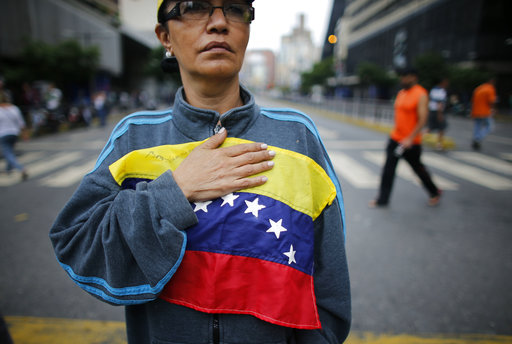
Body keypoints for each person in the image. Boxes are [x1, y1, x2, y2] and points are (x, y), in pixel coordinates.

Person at [49, 1, 351, 343]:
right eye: (195, 6)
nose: (220, 22)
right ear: (165, 36)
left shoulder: (298, 138)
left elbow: (328, 288)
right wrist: (174, 190)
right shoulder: (134, 138)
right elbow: (77, 244)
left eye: (235, 8)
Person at [369, 68, 441, 208]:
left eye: (405, 77)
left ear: (413, 77)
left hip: (411, 142)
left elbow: (422, 119)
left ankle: (434, 191)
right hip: (396, 139)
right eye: (401, 77)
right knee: (388, 169)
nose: (402, 80)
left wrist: (410, 138)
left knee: (418, 169)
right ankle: (382, 199)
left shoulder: (421, 94)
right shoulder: (401, 93)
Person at [0, 98, 28, 180]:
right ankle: (8, 169)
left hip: (3, 134)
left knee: (8, 153)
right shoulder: (14, 108)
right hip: (14, 134)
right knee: (10, 152)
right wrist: (24, 134)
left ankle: (21, 168)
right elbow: (21, 122)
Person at [470, 77, 497, 150]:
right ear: (492, 81)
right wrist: (493, 109)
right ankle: (478, 138)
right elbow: (491, 101)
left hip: (476, 111)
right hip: (485, 111)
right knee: (490, 126)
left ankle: (476, 138)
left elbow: (472, 100)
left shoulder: (478, 88)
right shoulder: (490, 89)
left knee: (477, 126)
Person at [427, 78, 449, 150]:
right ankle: (439, 144)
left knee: (429, 128)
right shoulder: (441, 91)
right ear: (443, 82)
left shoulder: (433, 90)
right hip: (438, 111)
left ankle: (417, 139)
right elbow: (439, 103)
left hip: (431, 110)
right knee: (441, 128)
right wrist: (440, 114)